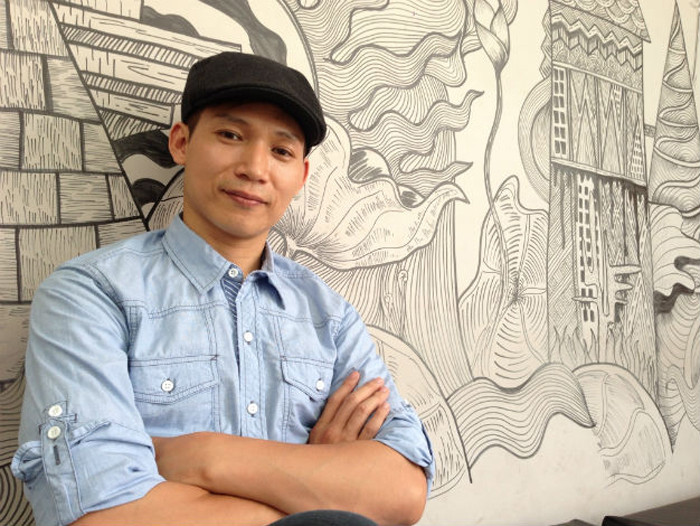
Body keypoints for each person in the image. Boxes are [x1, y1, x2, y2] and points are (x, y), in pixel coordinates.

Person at [12, 52, 434, 526]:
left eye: (282, 151)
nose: (255, 168)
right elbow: (101, 514)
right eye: (231, 135)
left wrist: (202, 456)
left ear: (301, 175)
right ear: (181, 142)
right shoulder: (90, 294)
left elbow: (403, 491)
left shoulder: (329, 317)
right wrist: (317, 483)